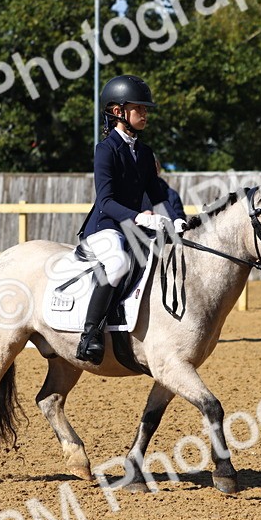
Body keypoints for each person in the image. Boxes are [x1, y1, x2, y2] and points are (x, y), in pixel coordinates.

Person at [75, 75, 186, 365]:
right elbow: (106, 201)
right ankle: (90, 335)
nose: (145, 114)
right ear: (118, 112)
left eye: (146, 109)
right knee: (118, 263)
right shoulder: (105, 150)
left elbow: (158, 192)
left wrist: (176, 220)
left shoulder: (145, 152)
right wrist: (139, 217)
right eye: (140, 108)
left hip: (135, 227)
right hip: (106, 226)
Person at [143, 153, 185, 221]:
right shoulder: (129, 193)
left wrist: (162, 219)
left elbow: (181, 222)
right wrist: (138, 217)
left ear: (158, 169)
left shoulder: (172, 195)